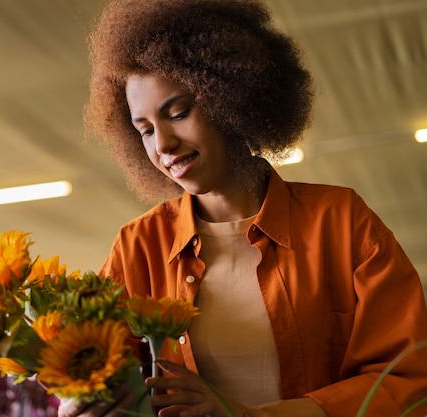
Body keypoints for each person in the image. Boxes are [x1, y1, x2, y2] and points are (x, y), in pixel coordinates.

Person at [60, 0, 427, 416]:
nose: (162, 146)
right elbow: (93, 376)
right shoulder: (137, 248)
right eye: (144, 131)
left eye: (178, 112)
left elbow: (407, 381)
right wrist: (78, 403)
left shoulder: (341, 222)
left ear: (231, 95)